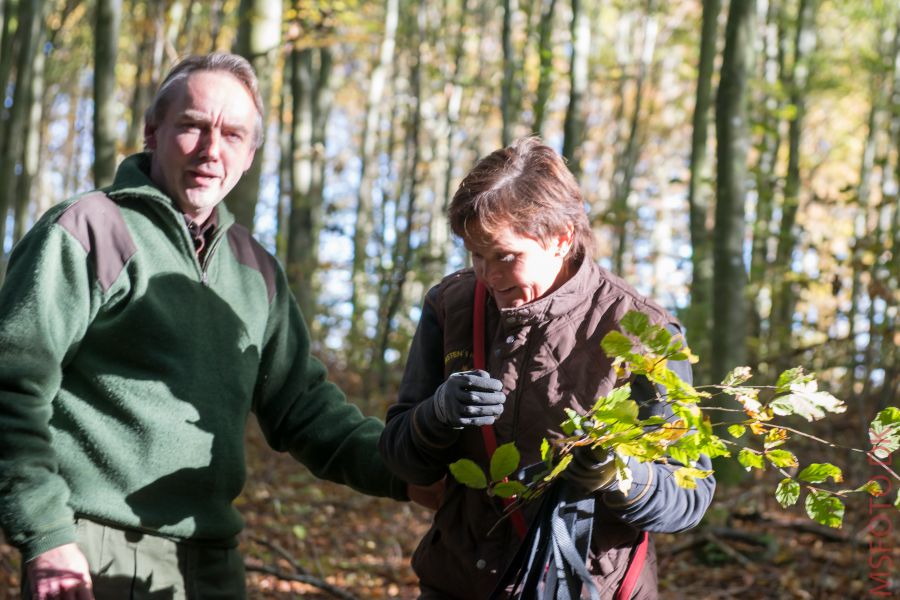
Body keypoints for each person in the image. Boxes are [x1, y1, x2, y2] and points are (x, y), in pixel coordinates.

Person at [0, 52, 423, 600]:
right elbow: (14, 387)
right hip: (90, 550)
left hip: (212, 562)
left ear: (250, 155)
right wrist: (47, 535)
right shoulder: (88, 230)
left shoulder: (256, 271)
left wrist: (409, 469)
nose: (210, 150)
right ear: (153, 132)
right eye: (193, 126)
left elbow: (306, 410)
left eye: (232, 135)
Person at [379, 136, 716, 599]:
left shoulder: (644, 331)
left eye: (506, 256)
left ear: (561, 238)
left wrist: (619, 473)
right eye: (476, 254)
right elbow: (399, 456)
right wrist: (436, 415)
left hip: (589, 588)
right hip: (458, 581)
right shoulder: (451, 306)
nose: (488, 276)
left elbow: (690, 495)